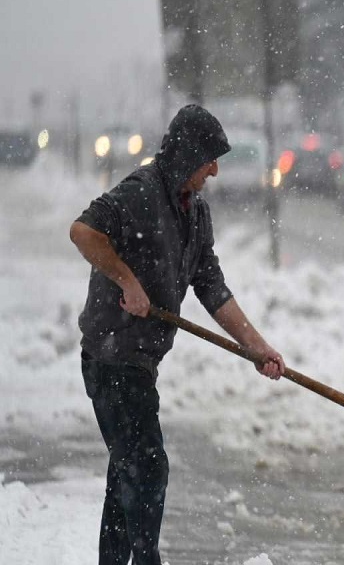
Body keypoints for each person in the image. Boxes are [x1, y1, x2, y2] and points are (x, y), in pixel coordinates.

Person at [70, 104, 286, 565]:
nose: (215, 169)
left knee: (126, 469)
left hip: (138, 361)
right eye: (209, 157)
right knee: (148, 465)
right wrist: (127, 280)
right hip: (112, 356)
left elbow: (213, 288)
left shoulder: (195, 213)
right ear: (187, 153)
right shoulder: (140, 194)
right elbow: (84, 232)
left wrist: (257, 347)